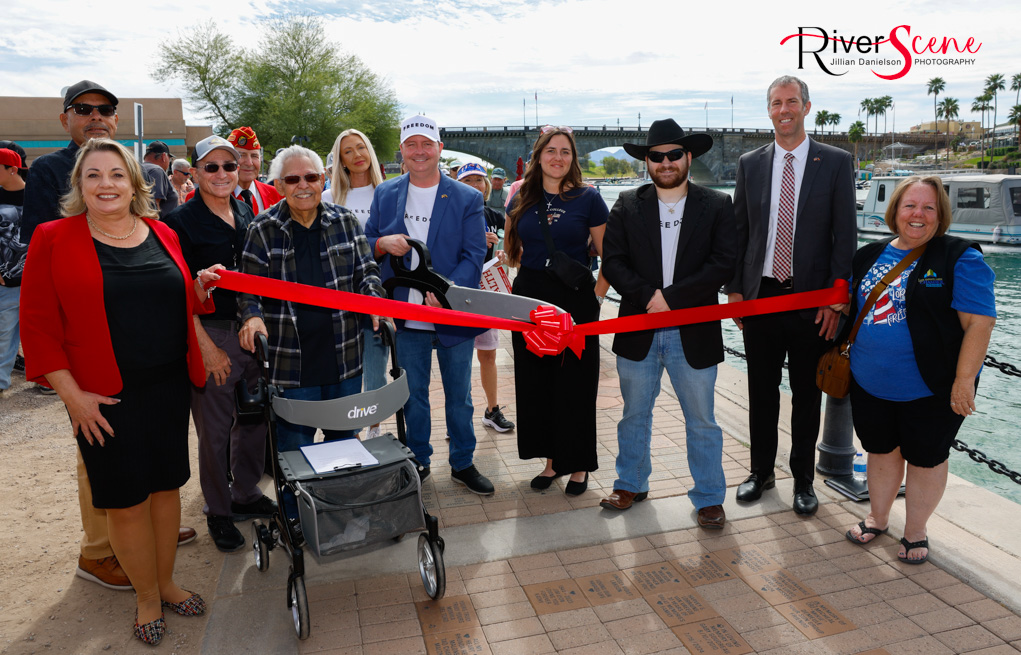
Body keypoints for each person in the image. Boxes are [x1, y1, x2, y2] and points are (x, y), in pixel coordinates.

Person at [20, 138, 222, 644]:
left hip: (167, 386)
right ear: (79, 186)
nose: (106, 184)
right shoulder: (53, 237)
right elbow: (38, 328)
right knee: (126, 501)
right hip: (102, 399)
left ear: (135, 182)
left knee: (166, 489)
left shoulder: (161, 232)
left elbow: (175, 302)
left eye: (116, 174)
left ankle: (169, 582)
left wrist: (198, 289)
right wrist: (73, 398)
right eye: (93, 175)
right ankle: (147, 597)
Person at [843, 176, 995, 564]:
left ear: (940, 216)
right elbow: (852, 305)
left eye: (929, 208)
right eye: (910, 205)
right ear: (894, 210)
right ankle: (878, 517)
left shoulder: (960, 257)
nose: (918, 215)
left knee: (927, 458)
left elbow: (979, 323)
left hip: (931, 387)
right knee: (879, 450)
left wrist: (964, 381)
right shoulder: (869, 254)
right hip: (869, 381)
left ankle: (915, 531)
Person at [726, 75, 856, 515]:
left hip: (812, 304)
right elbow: (740, 230)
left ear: (806, 106)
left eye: (792, 102)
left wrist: (838, 296)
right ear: (768, 110)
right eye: (776, 103)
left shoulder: (836, 161)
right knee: (761, 392)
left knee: (807, 394)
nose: (785, 109)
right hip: (760, 298)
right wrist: (735, 290)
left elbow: (845, 235)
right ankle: (760, 472)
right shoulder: (750, 163)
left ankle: (804, 481)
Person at [600, 119, 736, 527]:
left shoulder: (716, 204)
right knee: (633, 414)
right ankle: (630, 483)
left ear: (688, 157)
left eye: (674, 154)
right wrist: (648, 297)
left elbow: (722, 263)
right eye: (656, 156)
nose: (665, 162)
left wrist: (670, 299)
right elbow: (613, 261)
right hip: (638, 326)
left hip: (692, 329)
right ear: (647, 162)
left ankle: (710, 497)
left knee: (702, 420)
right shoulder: (627, 203)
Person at [365, 114, 494, 494]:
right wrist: (381, 243)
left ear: (439, 148)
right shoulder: (386, 193)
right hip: (405, 315)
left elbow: (473, 254)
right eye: (411, 145)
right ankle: (418, 459)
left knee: (460, 397)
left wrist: (448, 291)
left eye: (426, 144)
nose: (419, 152)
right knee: (413, 396)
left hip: (452, 313)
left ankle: (463, 462)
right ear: (401, 151)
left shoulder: (468, 196)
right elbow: (369, 239)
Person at [164, 135, 276, 553]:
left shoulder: (246, 211)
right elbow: (177, 292)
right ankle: (219, 510)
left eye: (229, 166)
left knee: (253, 419)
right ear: (194, 172)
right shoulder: (179, 223)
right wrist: (205, 347)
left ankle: (245, 493)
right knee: (213, 430)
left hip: (252, 330)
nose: (222, 174)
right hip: (212, 333)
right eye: (211, 167)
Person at [238, 145, 383, 453]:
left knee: (344, 447)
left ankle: (338, 502)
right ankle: (296, 504)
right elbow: (247, 288)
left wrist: (373, 298)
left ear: (322, 181)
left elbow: (367, 271)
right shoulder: (261, 229)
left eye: (310, 177)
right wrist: (251, 315)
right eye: (292, 179)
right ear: (279, 185)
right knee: (294, 453)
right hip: (290, 363)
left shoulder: (345, 222)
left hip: (343, 358)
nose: (302, 185)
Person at [504, 126, 608, 495]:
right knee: (538, 383)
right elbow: (511, 251)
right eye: (551, 150)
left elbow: (607, 256)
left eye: (565, 151)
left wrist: (595, 298)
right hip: (531, 303)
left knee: (576, 385)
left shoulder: (589, 199)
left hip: (575, 302)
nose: (558, 157)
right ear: (538, 155)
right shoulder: (519, 199)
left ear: (573, 158)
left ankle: (578, 465)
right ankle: (550, 462)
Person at [323, 128, 389, 438]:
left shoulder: (388, 194)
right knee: (344, 371)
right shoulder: (328, 197)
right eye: (348, 151)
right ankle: (347, 432)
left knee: (376, 368)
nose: (357, 155)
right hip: (339, 299)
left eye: (361, 148)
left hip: (378, 293)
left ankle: (374, 429)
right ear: (341, 160)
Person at [456, 162, 515, 433]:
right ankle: (455, 415)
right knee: (458, 358)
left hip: (486, 294)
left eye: (479, 180)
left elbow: (513, 246)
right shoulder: (449, 215)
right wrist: (478, 240)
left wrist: (504, 253)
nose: (475, 185)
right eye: (468, 180)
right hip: (459, 296)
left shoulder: (493, 215)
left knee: (488, 355)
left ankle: (492, 410)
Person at [183, 127, 283, 214]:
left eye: (254, 156)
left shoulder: (276, 194)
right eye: (242, 155)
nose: (249, 163)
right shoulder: (200, 196)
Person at [0, 147, 26, 396]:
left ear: (12, 169)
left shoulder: (36, 196)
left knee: (40, 333)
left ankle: (48, 381)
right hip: (4, 280)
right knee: (4, 331)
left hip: (36, 278)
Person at [141, 140, 179, 218]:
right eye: (169, 158)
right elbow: (155, 204)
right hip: (159, 225)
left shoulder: (138, 168)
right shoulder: (157, 170)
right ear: (164, 156)